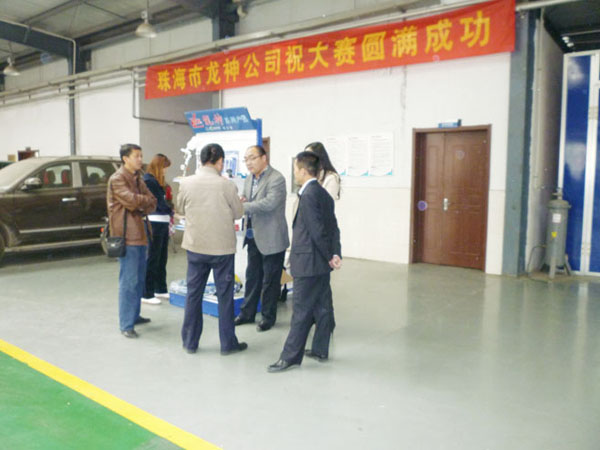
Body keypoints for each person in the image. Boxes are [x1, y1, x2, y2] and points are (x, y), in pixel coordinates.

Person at [268, 151, 341, 373]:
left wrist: (329, 255)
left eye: (295, 170)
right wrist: (334, 254)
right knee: (323, 307)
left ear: (302, 171)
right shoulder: (322, 193)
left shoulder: (308, 195)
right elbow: (333, 227)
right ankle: (320, 349)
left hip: (308, 263)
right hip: (320, 265)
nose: (294, 174)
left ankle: (290, 357)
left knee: (301, 312)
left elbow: (317, 231)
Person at [177, 143, 247, 355]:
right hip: (221, 249)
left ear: (201, 160)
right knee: (224, 297)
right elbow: (238, 213)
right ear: (220, 162)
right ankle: (227, 344)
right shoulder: (227, 186)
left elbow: (180, 208)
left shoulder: (186, 183)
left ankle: (190, 342)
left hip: (196, 246)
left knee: (193, 294)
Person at [234, 145, 289, 332]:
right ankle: (247, 313)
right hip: (252, 235)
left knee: (270, 281)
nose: (248, 163)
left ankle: (268, 317)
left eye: (252, 158)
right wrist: (242, 199)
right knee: (253, 277)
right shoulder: (249, 178)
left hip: (272, 237)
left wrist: (243, 207)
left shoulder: (277, 178)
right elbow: (247, 197)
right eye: (246, 159)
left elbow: (269, 203)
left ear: (264, 158)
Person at [107, 144, 157, 338]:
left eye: (141, 156)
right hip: (127, 236)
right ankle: (126, 324)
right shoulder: (117, 179)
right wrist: (142, 202)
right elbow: (132, 201)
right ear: (125, 158)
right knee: (129, 281)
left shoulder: (138, 178)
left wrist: (141, 202)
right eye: (137, 156)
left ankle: (135, 315)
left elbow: (152, 201)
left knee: (139, 279)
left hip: (141, 234)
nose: (140, 159)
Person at [141, 154, 173, 305]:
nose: (166, 171)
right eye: (165, 168)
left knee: (162, 258)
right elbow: (158, 203)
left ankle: (160, 288)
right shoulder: (149, 181)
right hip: (154, 222)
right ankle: (146, 293)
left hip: (163, 222)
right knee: (152, 258)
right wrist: (173, 212)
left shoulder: (158, 182)